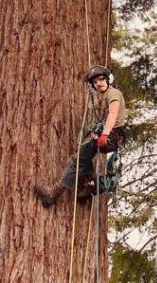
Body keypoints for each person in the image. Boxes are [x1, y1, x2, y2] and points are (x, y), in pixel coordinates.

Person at [35, 65, 127, 208]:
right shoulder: (102, 96)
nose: (99, 83)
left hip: (110, 135)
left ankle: (52, 195)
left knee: (77, 161)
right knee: (84, 157)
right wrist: (90, 94)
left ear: (108, 80)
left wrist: (104, 134)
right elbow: (94, 107)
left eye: (102, 79)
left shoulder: (113, 93)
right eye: (95, 82)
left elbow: (113, 114)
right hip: (106, 135)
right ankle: (90, 186)